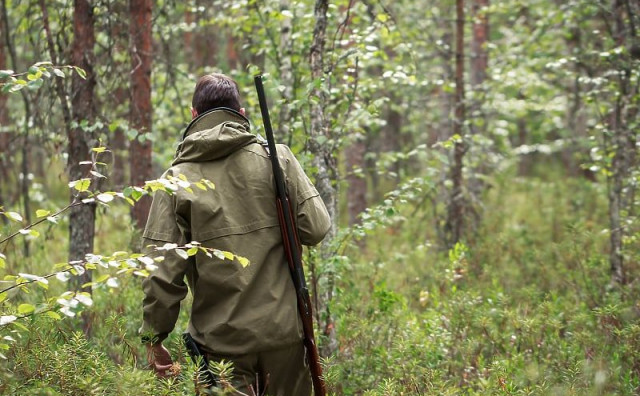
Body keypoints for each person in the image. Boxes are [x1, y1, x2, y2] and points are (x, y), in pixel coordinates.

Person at [140, 73, 331, 395]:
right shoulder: (277, 159)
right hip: (285, 333)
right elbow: (316, 228)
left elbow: (162, 273)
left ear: (193, 114)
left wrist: (153, 338)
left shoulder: (176, 180)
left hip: (220, 344)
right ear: (240, 114)